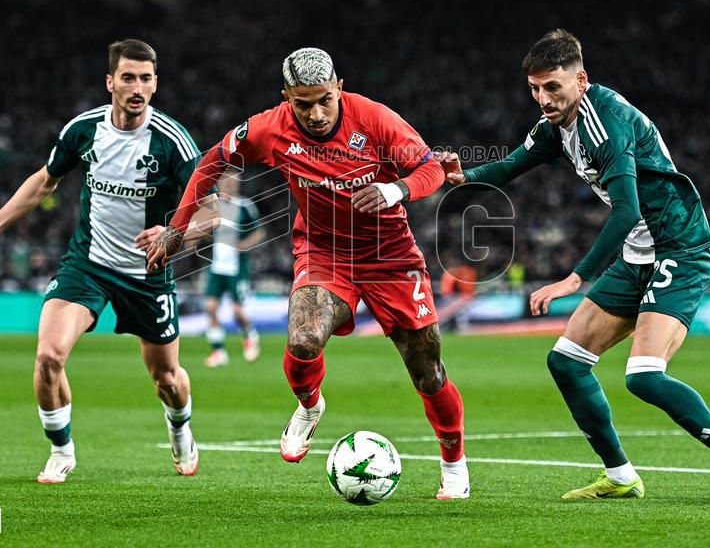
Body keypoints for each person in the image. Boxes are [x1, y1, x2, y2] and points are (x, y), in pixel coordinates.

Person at [439, 29, 710, 503]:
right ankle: (620, 476)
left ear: (581, 80)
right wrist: (463, 175)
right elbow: (511, 165)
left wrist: (577, 277)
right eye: (534, 88)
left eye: (552, 87)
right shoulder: (556, 124)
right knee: (566, 363)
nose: (543, 98)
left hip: (678, 245)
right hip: (639, 252)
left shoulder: (605, 124)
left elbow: (628, 211)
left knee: (644, 376)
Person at [146, 47, 470, 499]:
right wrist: (178, 230)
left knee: (427, 370)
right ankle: (310, 406)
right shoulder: (268, 127)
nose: (316, 113)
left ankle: (454, 462)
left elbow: (431, 167)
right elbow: (212, 161)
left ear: (340, 86)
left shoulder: (376, 119)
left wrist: (396, 189)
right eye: (303, 103)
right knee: (301, 339)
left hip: (390, 256)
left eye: (324, 100)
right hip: (323, 252)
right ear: (286, 97)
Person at [0, 39, 215, 483]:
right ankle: (61, 450)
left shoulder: (173, 141)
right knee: (48, 358)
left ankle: (180, 430)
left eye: (146, 78)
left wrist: (176, 232)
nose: (138, 87)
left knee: (168, 378)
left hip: (147, 273)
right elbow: (45, 182)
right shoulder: (83, 130)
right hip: (88, 265)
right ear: (110, 81)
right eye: (129, 77)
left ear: (156, 84)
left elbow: (211, 212)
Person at [203, 168, 266, 367]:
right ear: (219, 185)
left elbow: (259, 232)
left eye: (232, 183)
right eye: (225, 183)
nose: (228, 186)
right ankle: (218, 352)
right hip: (217, 265)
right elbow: (205, 231)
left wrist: (244, 245)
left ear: (237, 185)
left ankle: (250, 337)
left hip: (237, 266)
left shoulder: (245, 206)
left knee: (237, 311)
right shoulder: (214, 206)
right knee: (210, 308)